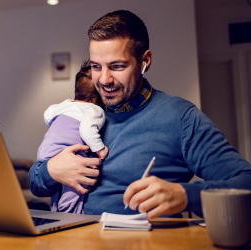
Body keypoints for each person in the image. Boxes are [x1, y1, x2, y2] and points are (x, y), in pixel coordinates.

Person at [29, 10, 251, 218]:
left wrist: (184, 195)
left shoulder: (180, 117)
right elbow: (35, 182)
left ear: (145, 62)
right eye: (96, 66)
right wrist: (51, 171)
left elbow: (245, 183)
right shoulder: (83, 111)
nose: (104, 80)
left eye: (116, 66)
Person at [37, 60, 108, 214]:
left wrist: (57, 129)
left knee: (61, 183)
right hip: (71, 151)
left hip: (47, 150)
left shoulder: (64, 104)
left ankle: (55, 211)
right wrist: (100, 149)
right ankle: (69, 214)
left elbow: (48, 114)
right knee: (76, 184)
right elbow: (86, 130)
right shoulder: (95, 109)